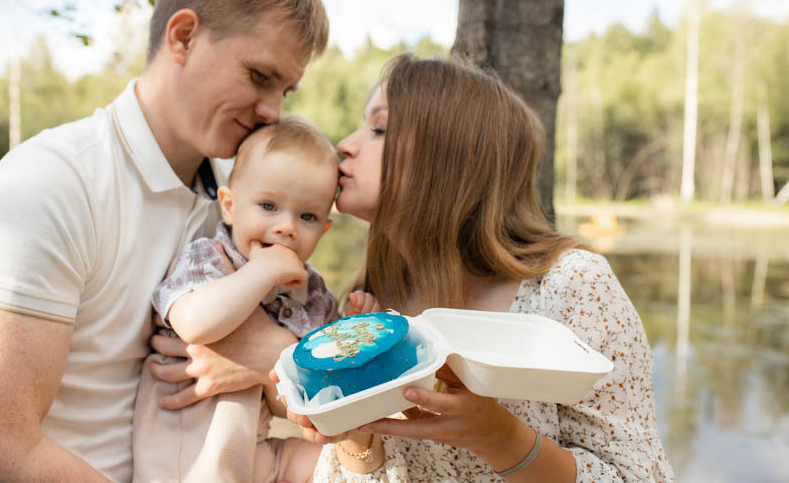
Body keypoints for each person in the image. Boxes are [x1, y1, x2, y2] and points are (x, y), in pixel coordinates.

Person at [0, 0, 329, 482]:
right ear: (183, 37)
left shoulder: (245, 208)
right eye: (259, 77)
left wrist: (276, 356)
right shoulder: (52, 181)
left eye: (286, 90)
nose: (273, 112)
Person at [278, 54, 675, 482]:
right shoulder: (374, 304)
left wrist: (499, 437)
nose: (345, 144)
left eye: (380, 129)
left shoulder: (574, 289)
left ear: (450, 156)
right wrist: (355, 435)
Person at [132, 116, 340, 483]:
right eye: (269, 206)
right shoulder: (210, 257)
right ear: (229, 205)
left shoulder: (313, 292)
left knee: (338, 462)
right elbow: (193, 324)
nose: (287, 227)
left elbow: (293, 406)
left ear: (324, 229)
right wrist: (261, 272)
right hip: (190, 453)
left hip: (256, 447)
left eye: (307, 216)